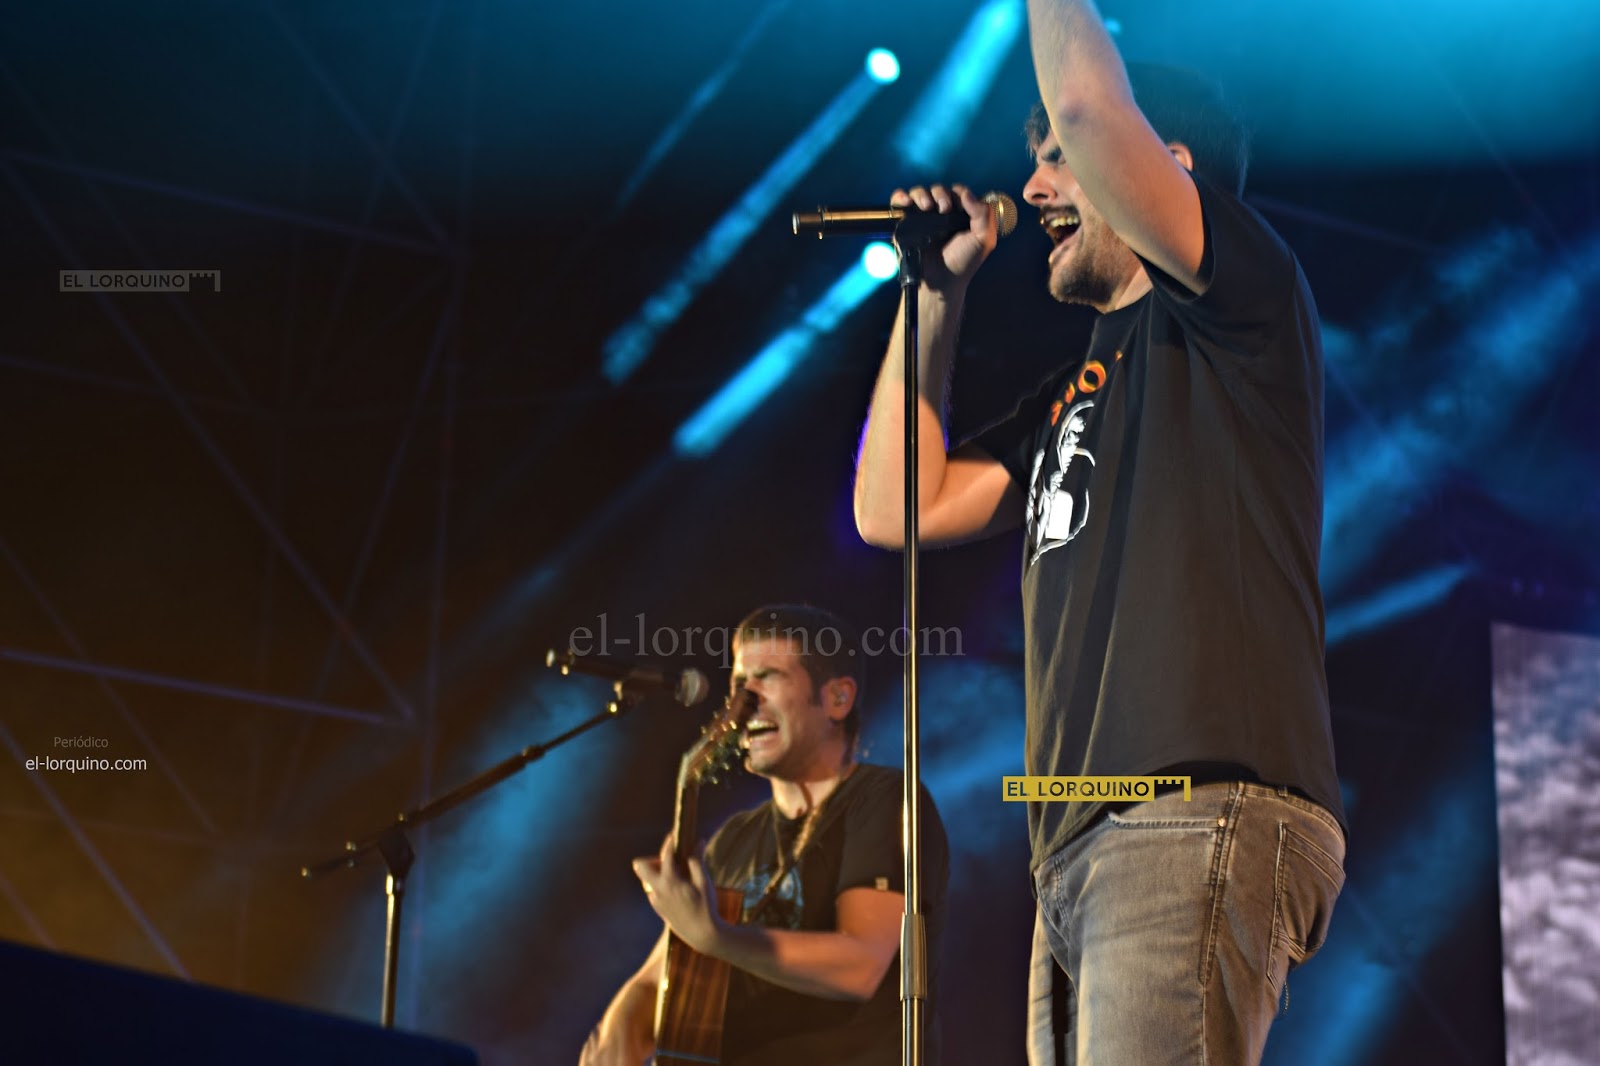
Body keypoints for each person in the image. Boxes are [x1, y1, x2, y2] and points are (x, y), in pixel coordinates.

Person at [852, 3, 1347, 1063]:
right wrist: (933, 296)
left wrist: (1077, 102)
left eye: (1055, 162)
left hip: (1191, 806)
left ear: (1161, 165)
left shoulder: (1239, 302)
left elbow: (1085, 102)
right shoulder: (1067, 396)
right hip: (1082, 844)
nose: (1032, 189)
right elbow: (892, 507)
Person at [580, 604, 949, 1066]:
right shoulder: (733, 839)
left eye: (767, 678)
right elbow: (660, 979)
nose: (743, 699)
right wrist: (618, 1033)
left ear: (837, 698)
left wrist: (718, 938)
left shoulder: (884, 798)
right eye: (738, 683)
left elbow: (861, 964)